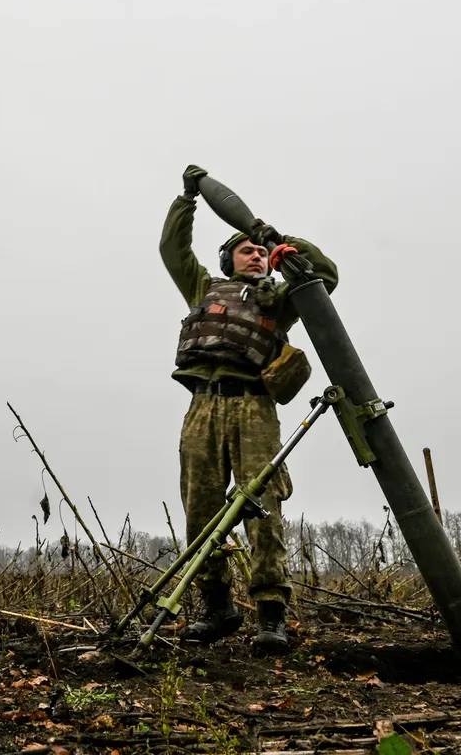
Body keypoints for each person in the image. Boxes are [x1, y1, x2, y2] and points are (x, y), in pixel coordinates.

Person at [160, 164, 339, 653]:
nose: (257, 257)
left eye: (262, 254)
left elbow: (325, 275)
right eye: (247, 250)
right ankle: (218, 608)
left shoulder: (279, 300)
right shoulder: (203, 289)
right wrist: (187, 199)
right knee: (200, 507)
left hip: (254, 408)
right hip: (202, 407)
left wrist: (277, 239)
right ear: (228, 260)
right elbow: (171, 250)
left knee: (263, 506)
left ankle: (271, 616)